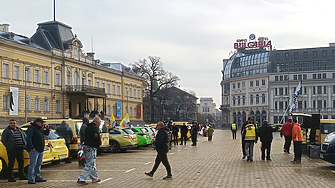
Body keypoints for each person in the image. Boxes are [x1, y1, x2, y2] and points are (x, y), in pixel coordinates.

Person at [77, 117, 102, 185]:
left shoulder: (87, 127)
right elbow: (96, 135)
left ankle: (95, 178)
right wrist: (99, 140)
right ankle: (82, 179)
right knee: (90, 164)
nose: (100, 124)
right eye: (100, 122)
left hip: (86, 146)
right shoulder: (95, 128)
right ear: (96, 122)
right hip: (91, 147)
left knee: (91, 163)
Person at [26, 118, 50, 184]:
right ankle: (30, 178)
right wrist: (32, 147)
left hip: (40, 149)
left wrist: (47, 128)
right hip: (34, 149)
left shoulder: (40, 129)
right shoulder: (31, 129)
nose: (42, 124)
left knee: (39, 164)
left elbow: (46, 134)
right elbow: (28, 139)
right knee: (32, 164)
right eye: (41, 123)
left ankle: (38, 177)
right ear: (37, 122)